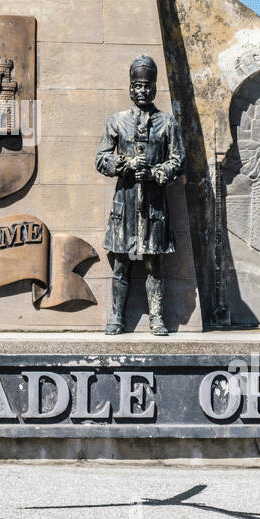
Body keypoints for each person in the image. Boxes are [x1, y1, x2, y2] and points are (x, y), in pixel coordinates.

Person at [95, 54, 184, 336]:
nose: (143, 91)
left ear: (155, 87)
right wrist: (125, 164)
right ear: (130, 88)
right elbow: (101, 159)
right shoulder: (117, 122)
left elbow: (178, 159)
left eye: (147, 86)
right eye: (137, 85)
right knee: (121, 262)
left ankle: (157, 318)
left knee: (153, 263)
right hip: (125, 202)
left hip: (154, 206)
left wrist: (156, 173)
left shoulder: (167, 123)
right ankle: (117, 317)